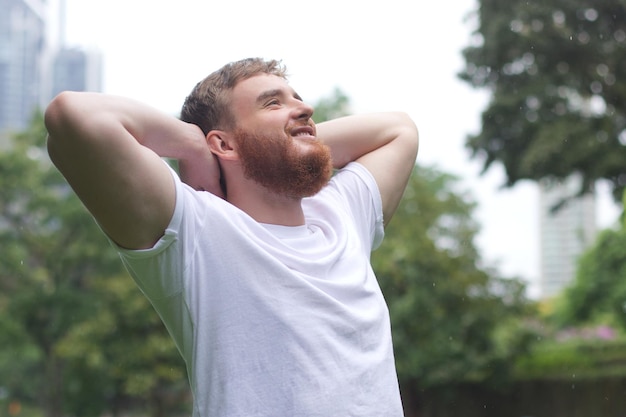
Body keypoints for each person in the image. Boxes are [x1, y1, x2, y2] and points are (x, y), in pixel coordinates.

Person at [45, 57, 419, 416]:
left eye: (299, 100)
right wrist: (193, 146)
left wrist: (296, 138)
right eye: (273, 103)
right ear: (223, 144)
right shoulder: (194, 229)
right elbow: (73, 117)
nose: (305, 109)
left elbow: (400, 129)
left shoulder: (341, 215)